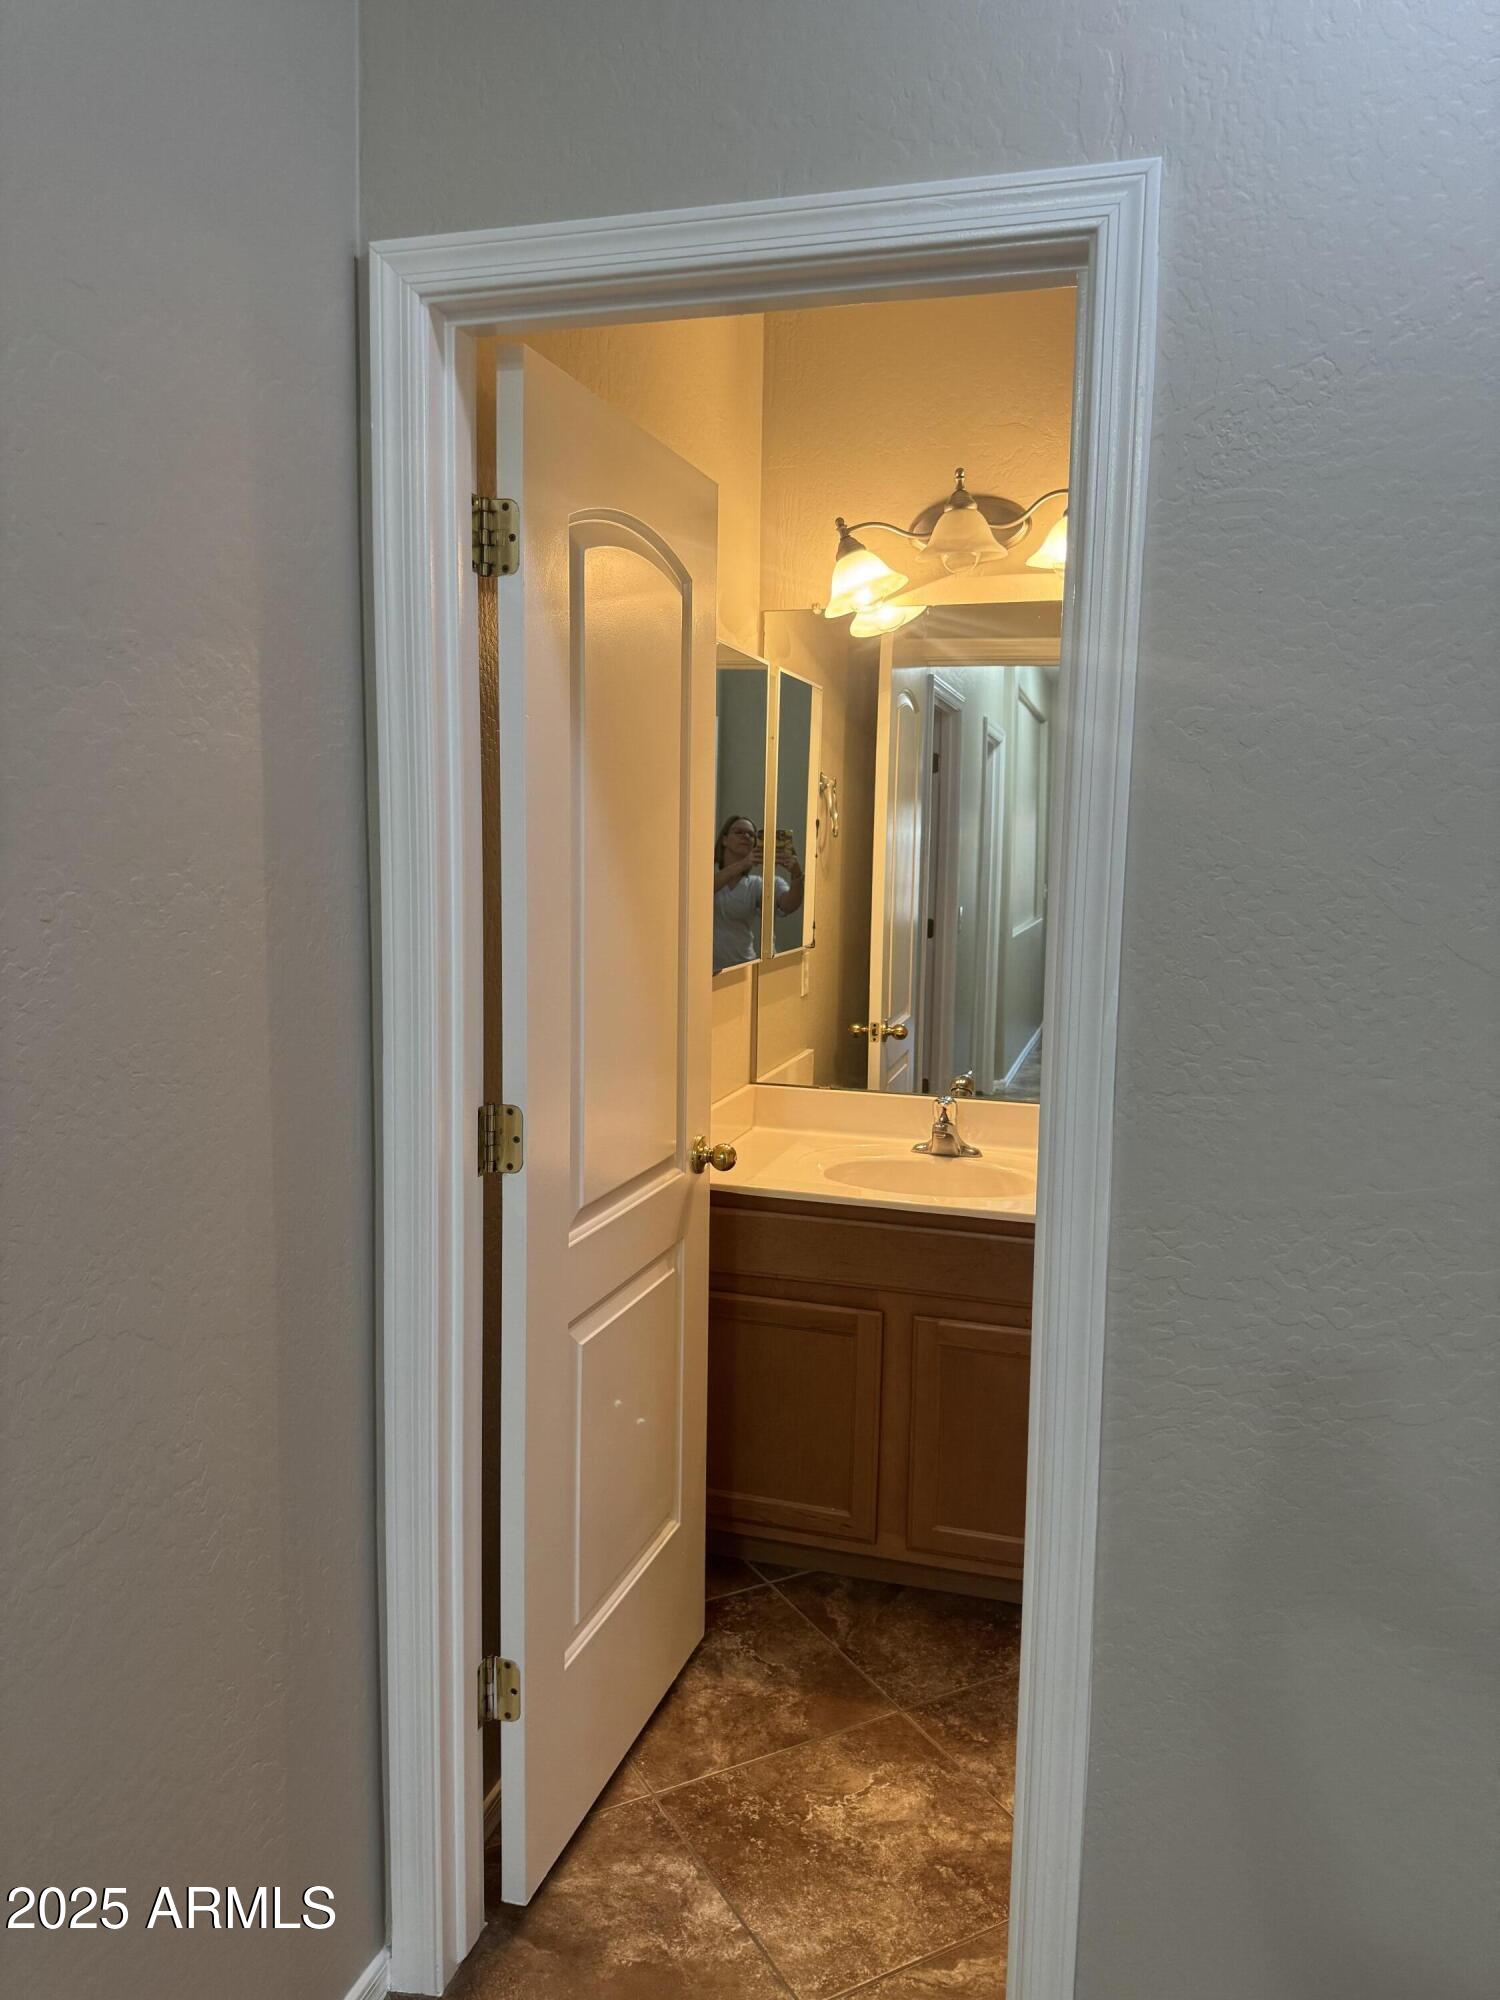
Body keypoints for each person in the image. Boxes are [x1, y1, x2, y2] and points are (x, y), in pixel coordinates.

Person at [713, 815, 803, 972]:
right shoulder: (706, 875)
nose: (746, 836)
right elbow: (702, 892)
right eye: (738, 832)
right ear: (724, 840)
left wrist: (796, 874)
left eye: (751, 834)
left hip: (742, 966)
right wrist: (743, 864)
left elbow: (789, 905)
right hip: (706, 970)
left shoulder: (758, 884)